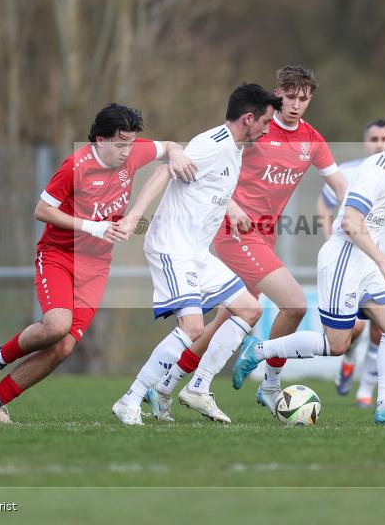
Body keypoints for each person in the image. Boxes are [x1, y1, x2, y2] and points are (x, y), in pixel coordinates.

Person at [0, 103, 197, 423]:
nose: (126, 151)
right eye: (120, 144)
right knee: (57, 325)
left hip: (96, 266)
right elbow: (42, 211)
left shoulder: (133, 152)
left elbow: (170, 147)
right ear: (100, 140)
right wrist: (92, 226)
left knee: (63, 348)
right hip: (58, 256)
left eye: (130, 143)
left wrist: (176, 153)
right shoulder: (75, 166)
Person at [146, 65, 346, 420]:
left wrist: (355, 216)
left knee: (230, 318)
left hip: (264, 237)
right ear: (278, 93)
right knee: (295, 304)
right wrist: (233, 206)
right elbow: (217, 170)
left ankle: (167, 384)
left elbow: (340, 186)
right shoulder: (256, 130)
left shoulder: (312, 140)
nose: (296, 104)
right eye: (290, 96)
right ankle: (265, 384)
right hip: (234, 232)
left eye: (304, 98)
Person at [233, 107, 385, 425]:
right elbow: (351, 223)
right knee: (337, 345)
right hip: (344, 260)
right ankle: (258, 350)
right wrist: (383, 261)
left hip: (365, 262)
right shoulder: (376, 173)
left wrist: (380, 264)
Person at [111, 83, 282, 425]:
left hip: (196, 252)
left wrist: (232, 209)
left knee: (250, 309)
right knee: (192, 328)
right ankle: (130, 399)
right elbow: (163, 170)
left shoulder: (234, 149)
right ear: (248, 118)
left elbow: (207, 183)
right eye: (265, 121)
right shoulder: (213, 145)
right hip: (172, 247)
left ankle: (197, 388)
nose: (267, 128)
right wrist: (133, 217)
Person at [317, 119, 385, 407]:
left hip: (383, 260)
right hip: (357, 256)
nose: (380, 144)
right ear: (368, 142)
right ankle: (346, 359)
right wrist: (330, 233)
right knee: (346, 336)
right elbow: (338, 211)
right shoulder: (357, 172)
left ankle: (374, 397)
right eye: (376, 139)